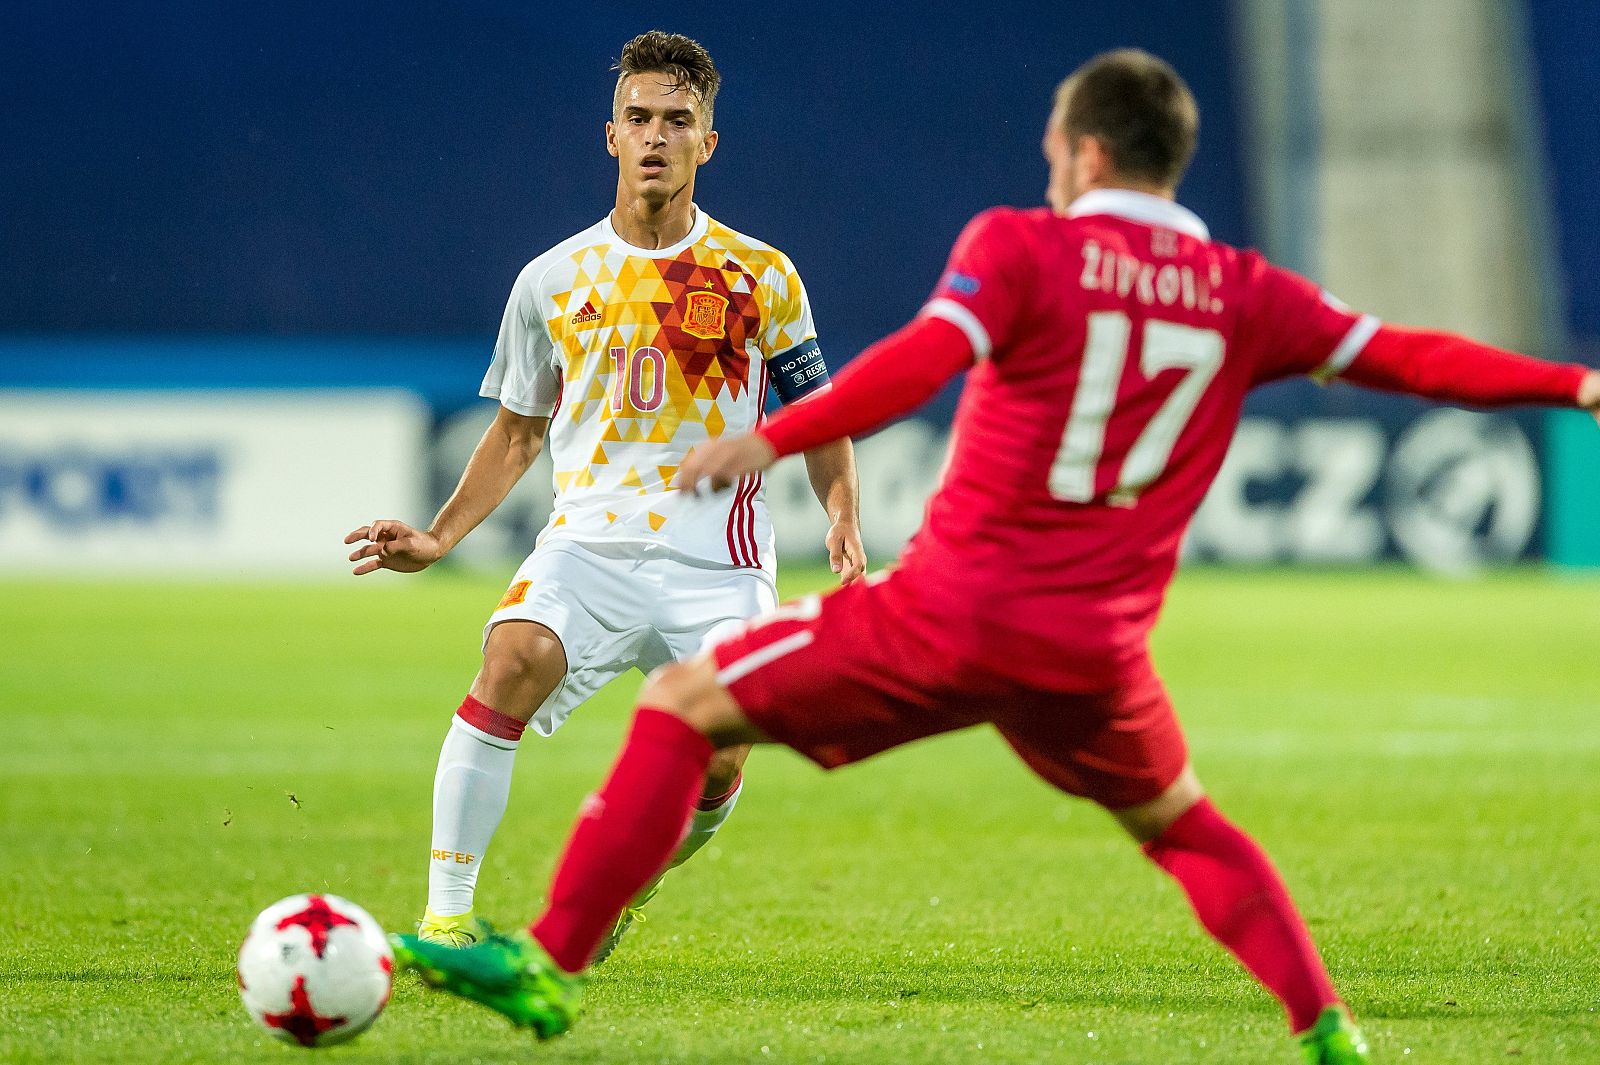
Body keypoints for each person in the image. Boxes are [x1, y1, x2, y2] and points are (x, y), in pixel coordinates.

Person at [387, 48, 1600, 1061]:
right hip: (1098, 656)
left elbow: (921, 359)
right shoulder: (1243, 292)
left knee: (686, 707)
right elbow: (1415, 360)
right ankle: (1326, 1024)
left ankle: (548, 967)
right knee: (1185, 824)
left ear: (1083, 155)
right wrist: (1576, 383)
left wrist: (780, 438)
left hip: (952, 615)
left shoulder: (1024, 248)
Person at [345, 30, 863, 963]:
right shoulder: (550, 280)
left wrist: (841, 517)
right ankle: (445, 918)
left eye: (678, 120)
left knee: (724, 754)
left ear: (709, 142)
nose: (656, 136)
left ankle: (638, 884)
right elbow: (516, 432)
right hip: (589, 547)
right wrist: (438, 536)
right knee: (510, 660)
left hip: (722, 560)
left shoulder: (763, 275)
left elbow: (820, 415)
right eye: (639, 119)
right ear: (611, 136)